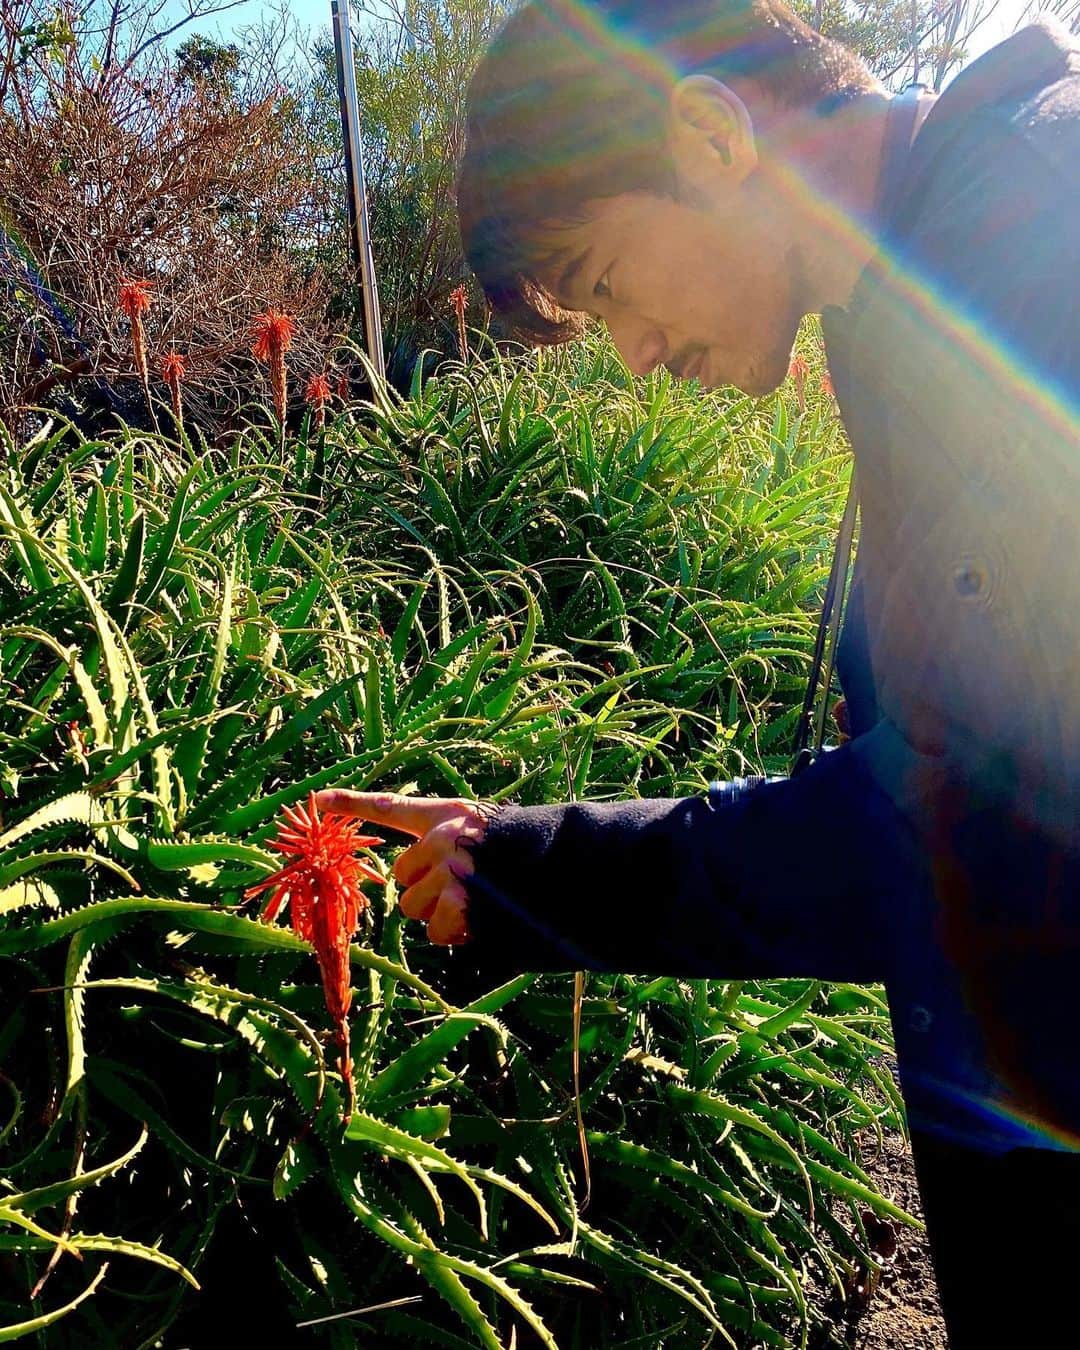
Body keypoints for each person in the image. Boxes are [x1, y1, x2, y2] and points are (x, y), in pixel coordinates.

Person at [317, 3, 1080, 1343]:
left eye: (608, 280)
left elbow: (963, 830)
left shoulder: (1030, 257)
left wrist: (537, 871)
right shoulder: (917, 290)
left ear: (711, 132)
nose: (640, 353)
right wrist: (517, 861)